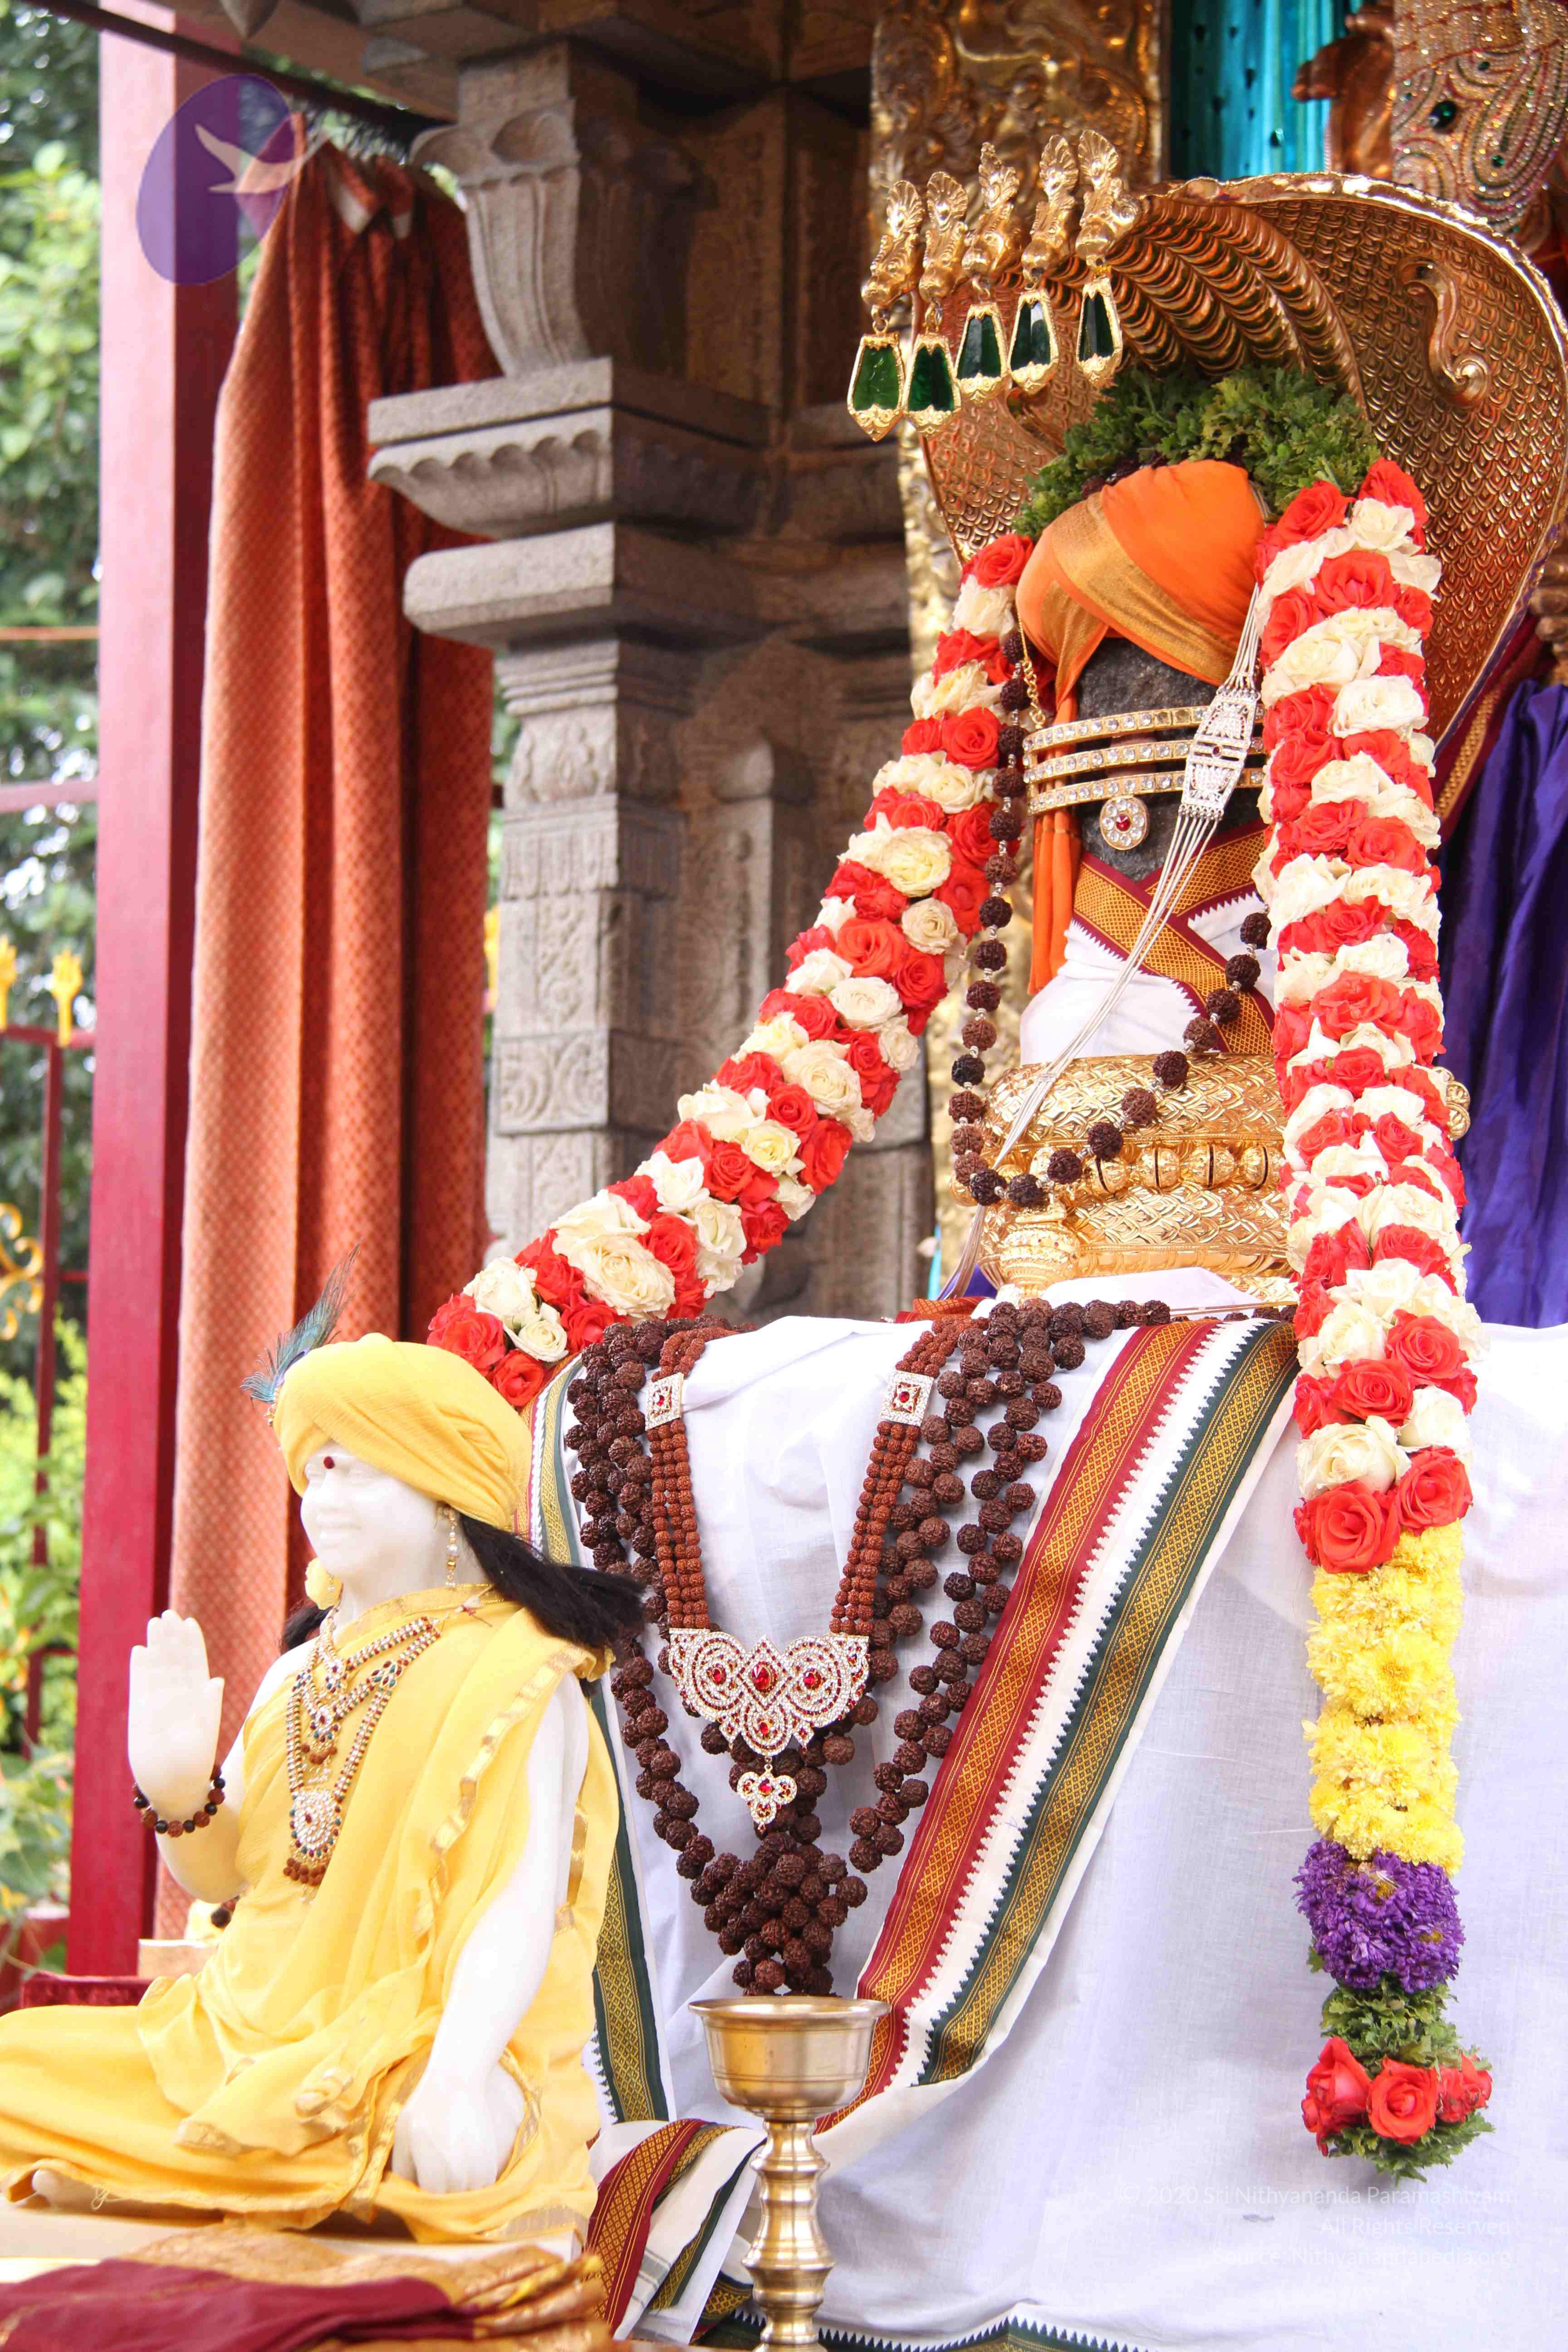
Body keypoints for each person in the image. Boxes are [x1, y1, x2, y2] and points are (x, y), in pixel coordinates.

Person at [0, 1333, 640, 2244]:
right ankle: (251, 2157)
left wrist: (459, 2075)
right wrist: (176, 1790)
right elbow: (226, 1878)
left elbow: (517, 1902)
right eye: (313, 1474)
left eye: (356, 1471)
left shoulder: (519, 1671)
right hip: (227, 2037)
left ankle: (306, 2149)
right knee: (15, 2072)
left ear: (448, 1491)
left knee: (415, 2139)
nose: (323, 1498)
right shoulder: (294, 1674)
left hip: (400, 2051)